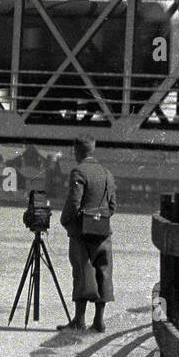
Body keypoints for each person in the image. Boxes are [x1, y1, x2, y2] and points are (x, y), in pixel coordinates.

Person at [58, 138, 117, 332]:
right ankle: (99, 321)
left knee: (82, 273)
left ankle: (79, 321)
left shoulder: (79, 172)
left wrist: (65, 222)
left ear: (76, 151)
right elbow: (112, 206)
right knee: (104, 273)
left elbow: (74, 203)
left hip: (82, 233)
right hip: (103, 232)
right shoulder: (107, 174)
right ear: (93, 150)